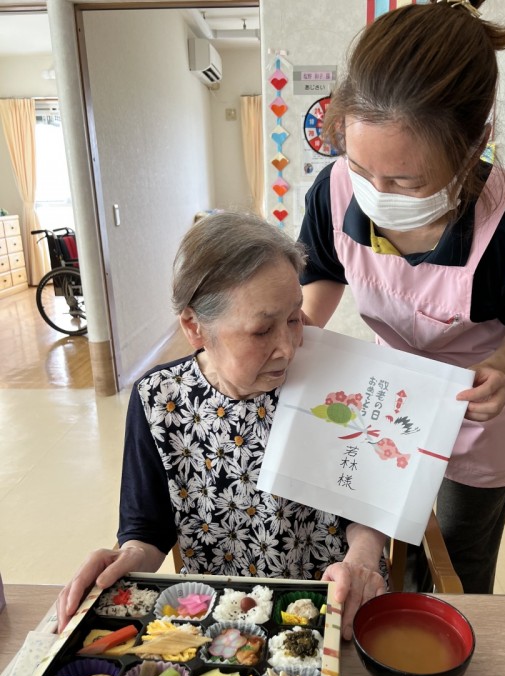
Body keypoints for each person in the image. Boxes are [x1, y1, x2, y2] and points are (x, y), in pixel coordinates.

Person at [299, 0, 505, 593]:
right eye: (360, 167)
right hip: (390, 395)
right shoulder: (334, 191)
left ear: (476, 145)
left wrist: (499, 367)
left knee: (458, 559)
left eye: (405, 181)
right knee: (381, 529)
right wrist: (302, 331)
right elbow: (322, 270)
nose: (375, 192)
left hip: (480, 412)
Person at [57, 212, 386, 637]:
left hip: (333, 604)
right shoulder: (159, 400)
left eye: (294, 318)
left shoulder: (330, 379)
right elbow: (148, 531)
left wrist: (362, 559)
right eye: (262, 330)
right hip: (217, 621)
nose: (288, 348)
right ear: (195, 327)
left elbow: (367, 501)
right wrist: (127, 557)